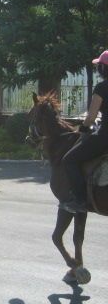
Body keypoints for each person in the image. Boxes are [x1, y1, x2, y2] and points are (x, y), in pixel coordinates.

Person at [62, 51, 108, 213]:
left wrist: (82, 129)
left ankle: (80, 201)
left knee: (69, 160)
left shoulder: (102, 87)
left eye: (99, 66)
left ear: (103, 68)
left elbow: (91, 117)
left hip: (104, 137)